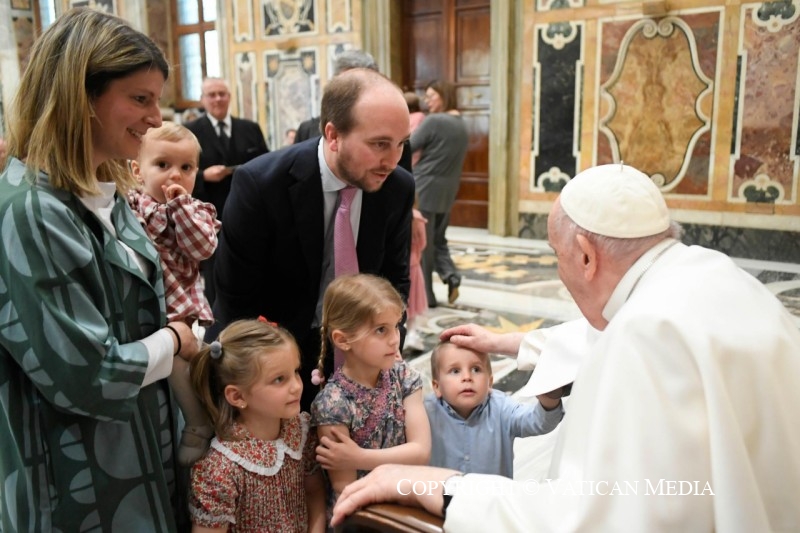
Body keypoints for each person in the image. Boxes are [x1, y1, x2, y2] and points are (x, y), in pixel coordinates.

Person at [330, 164, 800, 532]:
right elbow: (596, 337)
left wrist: (438, 486)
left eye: (558, 255)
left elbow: (581, 518)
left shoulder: (643, 338)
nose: (560, 270)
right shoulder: (708, 273)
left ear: (587, 256)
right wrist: (503, 342)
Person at [0, 8, 201, 531]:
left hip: (141, 449)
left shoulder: (106, 193)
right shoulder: (33, 210)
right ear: (80, 97)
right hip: (79, 474)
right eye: (140, 99)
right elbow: (89, 375)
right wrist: (175, 340)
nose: (156, 118)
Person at [212, 67, 415, 411]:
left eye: (401, 144)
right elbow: (236, 302)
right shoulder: (261, 184)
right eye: (380, 144)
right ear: (333, 135)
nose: (392, 161)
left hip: (359, 350)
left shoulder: (398, 187)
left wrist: (384, 346)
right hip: (275, 354)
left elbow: (395, 280)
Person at [128, 121, 221, 466]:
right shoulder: (129, 205)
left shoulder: (197, 211)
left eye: (186, 167)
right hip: (143, 306)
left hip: (179, 307)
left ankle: (198, 425)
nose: (175, 175)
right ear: (137, 171)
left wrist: (180, 207)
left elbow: (202, 249)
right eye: (162, 164)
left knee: (179, 364)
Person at [188, 318, 326, 532]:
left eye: (296, 371)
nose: (297, 386)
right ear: (237, 396)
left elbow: (314, 492)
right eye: (279, 379)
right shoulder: (220, 469)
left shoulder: (300, 431)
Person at [310, 275, 431, 510]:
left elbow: (421, 452)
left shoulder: (404, 377)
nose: (394, 339)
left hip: (407, 501)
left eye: (396, 326)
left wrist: (360, 457)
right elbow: (345, 489)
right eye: (381, 330)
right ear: (343, 340)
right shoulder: (332, 405)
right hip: (364, 516)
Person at [184, 77, 269, 307]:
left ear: (230, 97)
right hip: (208, 217)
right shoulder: (190, 132)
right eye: (211, 95)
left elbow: (267, 166)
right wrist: (204, 176)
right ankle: (217, 318)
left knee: (251, 268)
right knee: (215, 274)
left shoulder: (250, 129)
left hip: (248, 213)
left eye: (222, 94)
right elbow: (180, 172)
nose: (218, 99)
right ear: (202, 99)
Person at [424, 341, 563, 477]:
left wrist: (549, 400)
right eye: (455, 371)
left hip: (494, 492)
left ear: (489, 382)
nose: (467, 377)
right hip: (439, 491)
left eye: (476, 369)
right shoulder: (425, 413)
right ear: (437, 387)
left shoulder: (501, 407)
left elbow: (538, 422)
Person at [410, 80, 469, 307]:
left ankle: (428, 296)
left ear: (444, 96)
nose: (427, 101)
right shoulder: (461, 124)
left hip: (424, 189)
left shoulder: (434, 121)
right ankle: (451, 276)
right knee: (438, 240)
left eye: (431, 96)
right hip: (447, 192)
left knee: (423, 244)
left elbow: (409, 146)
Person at [293, 50, 379, 144]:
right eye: (348, 84)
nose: (354, 93)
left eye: (362, 85)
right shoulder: (307, 131)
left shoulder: (386, 128)